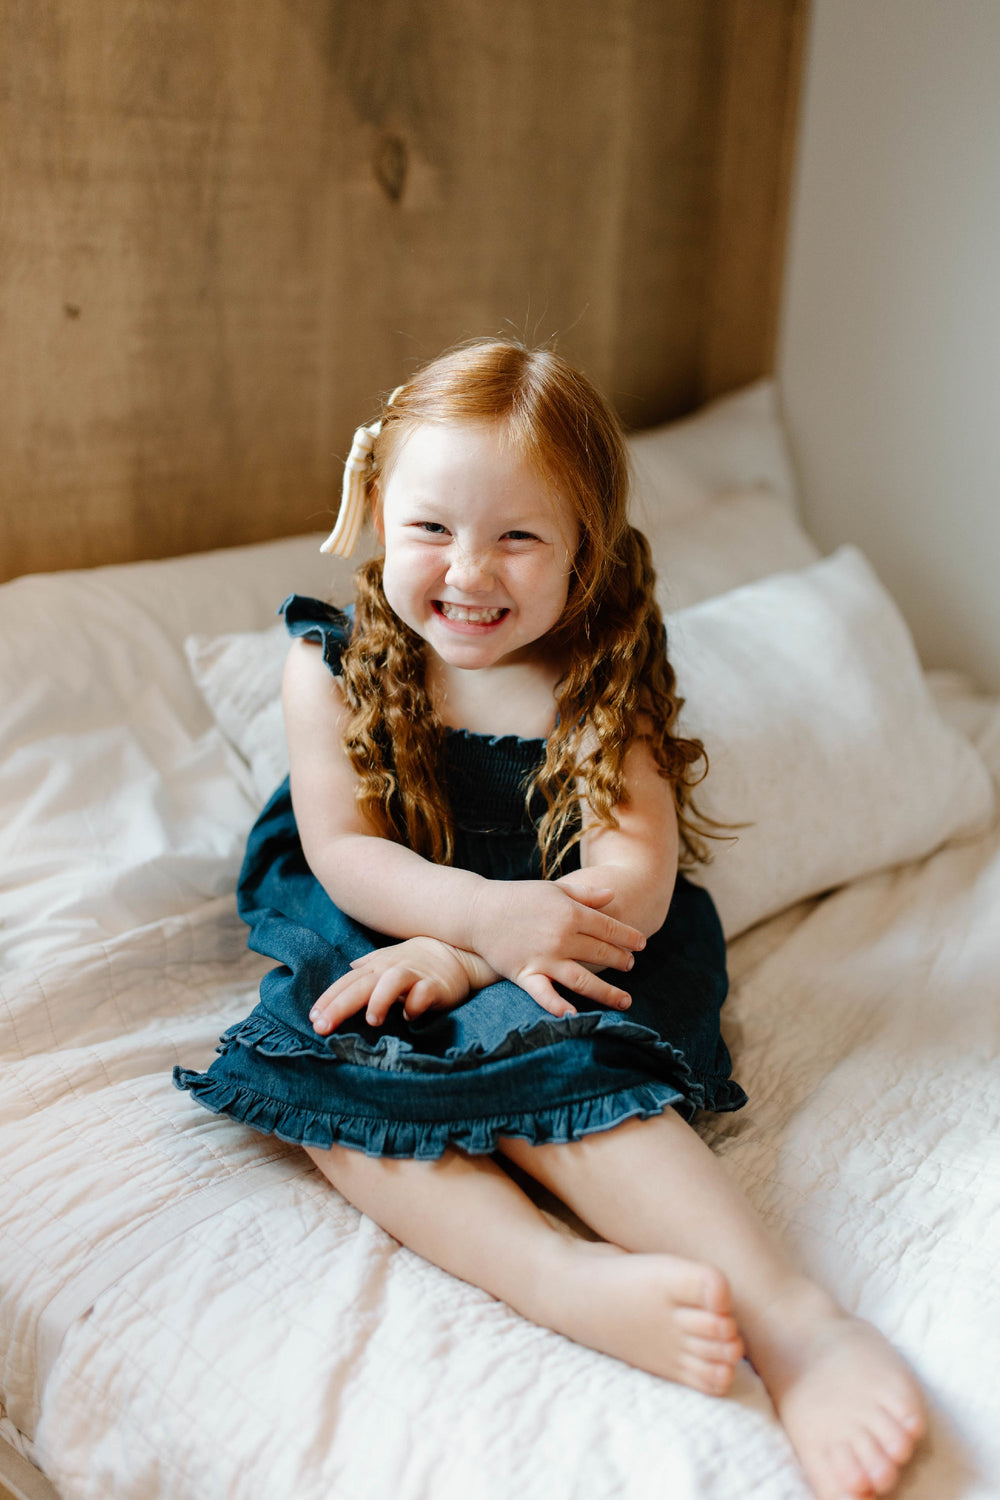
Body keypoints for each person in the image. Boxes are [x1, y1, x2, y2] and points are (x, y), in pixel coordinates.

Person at [175, 340, 925, 1500]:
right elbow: (345, 852)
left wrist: (480, 953)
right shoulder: (331, 664)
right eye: (432, 528)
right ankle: (558, 1281)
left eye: (518, 537)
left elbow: (636, 864)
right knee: (326, 1090)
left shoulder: (597, 667)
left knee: (566, 1070)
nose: (469, 572)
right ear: (374, 509)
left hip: (571, 945)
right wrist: (460, 922)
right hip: (386, 929)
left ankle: (797, 1327)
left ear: (585, 551)